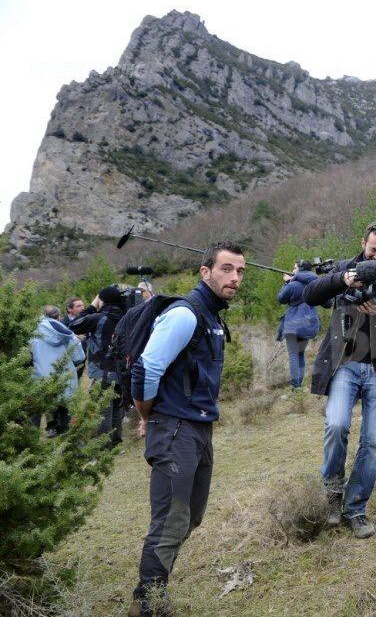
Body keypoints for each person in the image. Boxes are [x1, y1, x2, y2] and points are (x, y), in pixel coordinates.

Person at [128, 242, 245, 617]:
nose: (235, 278)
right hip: (175, 428)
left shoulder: (212, 316)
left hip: (198, 428)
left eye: (240, 271)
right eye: (226, 269)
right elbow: (145, 370)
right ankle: (148, 605)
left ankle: (152, 594)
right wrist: (148, 417)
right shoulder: (186, 314)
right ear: (205, 271)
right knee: (170, 521)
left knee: (190, 517)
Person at [303, 221, 376, 539]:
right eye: (373, 250)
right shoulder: (345, 268)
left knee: (371, 443)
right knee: (336, 425)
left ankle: (356, 509)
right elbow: (309, 295)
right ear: (363, 243)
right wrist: (343, 279)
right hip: (346, 364)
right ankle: (332, 494)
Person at [67, 284, 127, 448]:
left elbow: (74, 324)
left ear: (103, 300)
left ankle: (103, 446)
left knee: (101, 407)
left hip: (103, 370)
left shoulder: (98, 318)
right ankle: (114, 441)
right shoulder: (124, 316)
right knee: (115, 405)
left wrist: (93, 306)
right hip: (121, 370)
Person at [30, 305, 85, 437]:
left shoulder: (30, 332)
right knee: (66, 411)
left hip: (38, 380)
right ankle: (69, 445)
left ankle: (30, 448)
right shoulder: (66, 333)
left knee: (34, 414)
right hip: (65, 378)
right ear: (58, 317)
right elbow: (79, 357)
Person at [276, 260, 321, 390]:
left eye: (294, 267)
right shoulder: (315, 284)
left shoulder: (293, 284)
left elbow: (281, 299)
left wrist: (286, 282)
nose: (293, 269)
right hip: (308, 324)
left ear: (300, 269)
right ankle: (299, 385)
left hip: (293, 325)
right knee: (300, 354)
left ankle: (295, 386)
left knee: (293, 356)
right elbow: (327, 303)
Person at [61, 296, 88, 379]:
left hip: (81, 356)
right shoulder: (61, 323)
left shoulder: (87, 320)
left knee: (77, 380)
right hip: (66, 357)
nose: (82, 308)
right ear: (69, 309)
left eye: (83, 305)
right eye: (79, 306)